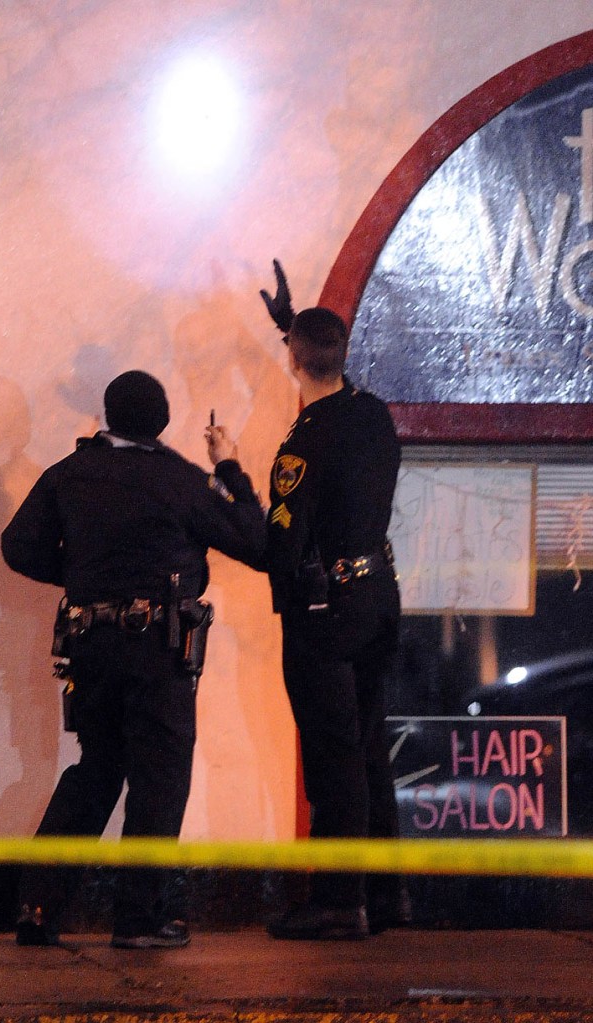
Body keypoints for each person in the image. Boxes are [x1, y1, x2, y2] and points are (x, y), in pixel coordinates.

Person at [1, 369, 264, 948]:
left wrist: (80, 577)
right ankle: (137, 919)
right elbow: (259, 543)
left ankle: (38, 906)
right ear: (162, 422)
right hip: (158, 651)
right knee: (159, 779)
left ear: (109, 416)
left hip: (89, 646)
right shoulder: (180, 479)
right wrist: (229, 468)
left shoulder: (68, 473)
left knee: (95, 769)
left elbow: (16, 547)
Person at [222, 267, 403, 940]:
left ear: (294, 362)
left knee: (332, 758)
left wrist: (233, 482)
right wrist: (292, 326)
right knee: (367, 747)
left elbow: (278, 545)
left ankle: (337, 902)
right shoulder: (373, 414)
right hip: (379, 598)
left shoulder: (302, 442)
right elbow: (332, 373)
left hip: (326, 614)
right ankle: (385, 898)